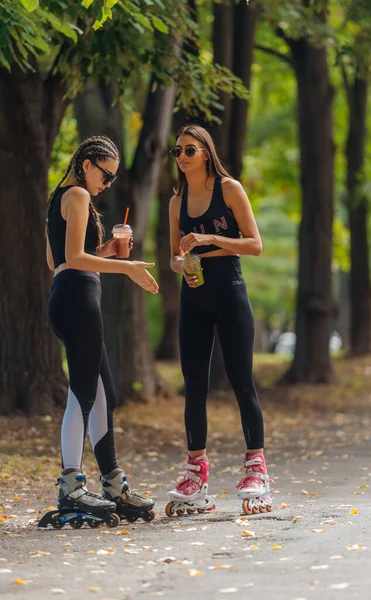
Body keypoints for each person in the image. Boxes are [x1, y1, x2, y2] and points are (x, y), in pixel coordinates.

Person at [42, 135, 158, 529]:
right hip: (77, 297)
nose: (107, 183)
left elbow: (56, 258)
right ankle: (72, 485)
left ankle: (112, 484)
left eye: (113, 178)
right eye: (105, 174)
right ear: (87, 163)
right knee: (83, 393)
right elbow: (74, 260)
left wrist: (111, 247)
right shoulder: (76, 195)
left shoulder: (62, 198)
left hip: (71, 293)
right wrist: (129, 267)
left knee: (104, 394)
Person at [165, 124, 273, 517]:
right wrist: (182, 262)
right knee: (194, 383)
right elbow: (174, 258)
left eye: (189, 150)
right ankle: (196, 470)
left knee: (242, 381)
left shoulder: (229, 189)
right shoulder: (177, 202)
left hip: (230, 291)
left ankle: (256, 467)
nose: (182, 157)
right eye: (176, 151)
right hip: (194, 295)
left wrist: (210, 241)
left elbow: (255, 244)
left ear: (206, 153)